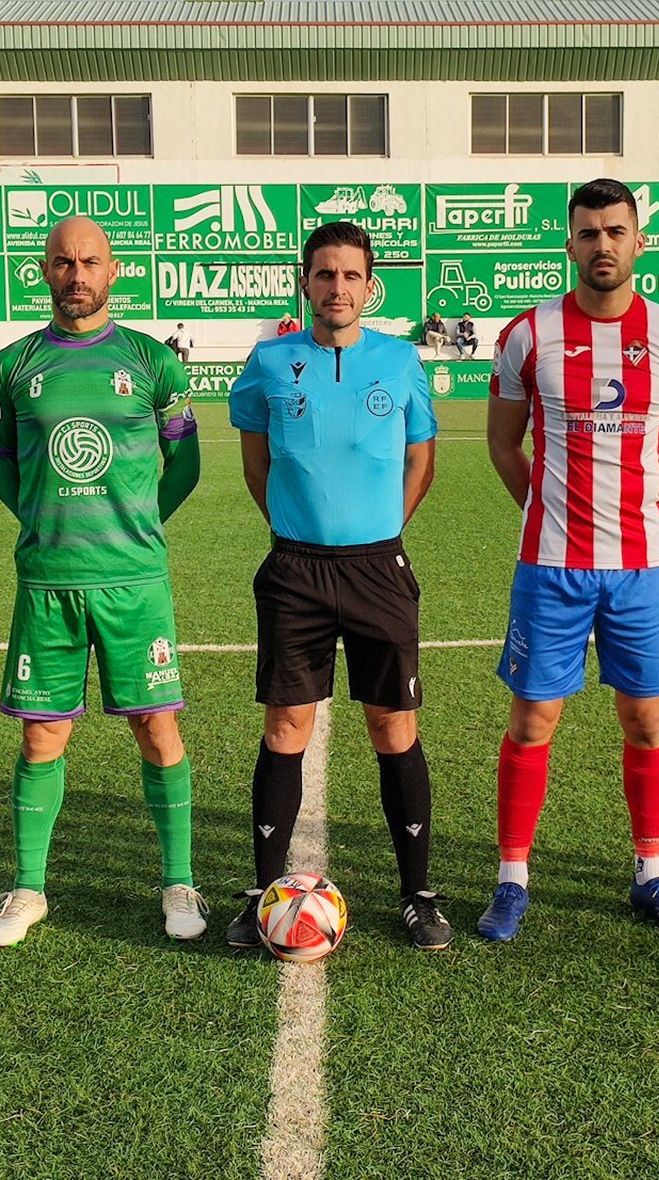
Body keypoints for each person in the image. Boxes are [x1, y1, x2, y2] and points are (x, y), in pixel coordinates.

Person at [476, 178, 659, 942]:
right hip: (551, 564)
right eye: (588, 232)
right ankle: (513, 879)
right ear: (569, 244)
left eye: (616, 231)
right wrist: (545, 511)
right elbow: (503, 445)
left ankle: (651, 873)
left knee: (645, 720)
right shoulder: (528, 335)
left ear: (639, 241)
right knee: (534, 717)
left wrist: (644, 507)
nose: (602, 244)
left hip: (642, 567)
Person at [0, 216, 205, 948]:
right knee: (43, 738)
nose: (76, 275)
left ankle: (178, 881)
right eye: (63, 262)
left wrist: (139, 524)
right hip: (47, 581)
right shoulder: (10, 366)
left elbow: (189, 465)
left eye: (90, 263)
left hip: (134, 582)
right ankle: (28, 888)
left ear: (114, 272)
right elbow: (2, 467)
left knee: (155, 728)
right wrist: (45, 522)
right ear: (43, 271)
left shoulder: (152, 362)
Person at [227, 221, 448, 950]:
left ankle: (418, 894)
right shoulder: (267, 362)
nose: (338, 288)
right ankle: (262, 890)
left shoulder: (399, 359)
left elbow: (422, 462)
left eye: (351, 276)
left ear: (369, 284)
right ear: (305, 281)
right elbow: (256, 469)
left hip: (379, 567)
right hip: (295, 571)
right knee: (285, 729)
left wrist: (381, 533)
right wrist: (296, 533)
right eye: (325, 275)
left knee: (394, 730)